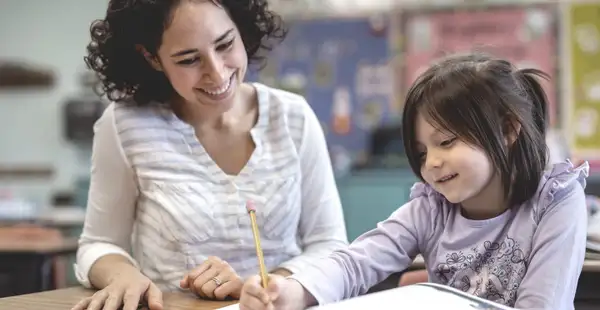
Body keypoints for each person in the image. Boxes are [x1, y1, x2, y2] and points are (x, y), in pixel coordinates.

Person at [239, 53, 589, 310]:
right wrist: (293, 291)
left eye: (447, 142)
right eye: (421, 153)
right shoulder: (431, 208)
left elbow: (544, 305)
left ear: (509, 129)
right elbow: (355, 262)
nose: (432, 163)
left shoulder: (555, 202)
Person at [71, 1, 349, 310]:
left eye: (225, 44)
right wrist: (123, 274)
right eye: (189, 60)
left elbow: (330, 246)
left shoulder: (293, 118)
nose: (216, 73)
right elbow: (99, 243)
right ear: (152, 58)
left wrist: (266, 285)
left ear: (241, 29)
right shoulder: (125, 126)